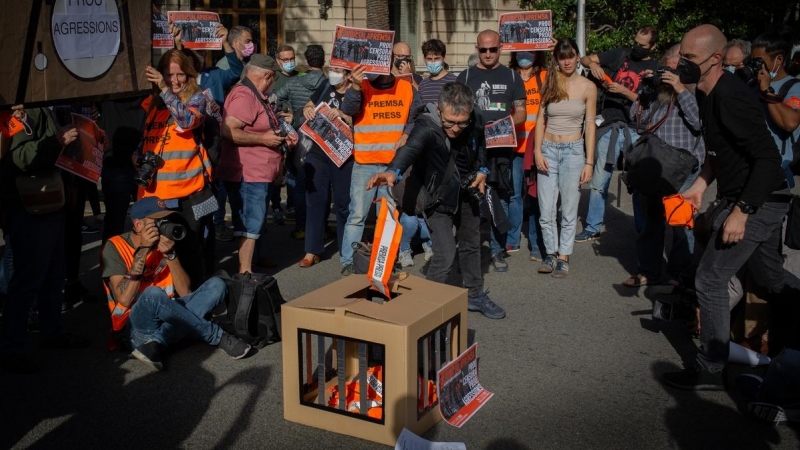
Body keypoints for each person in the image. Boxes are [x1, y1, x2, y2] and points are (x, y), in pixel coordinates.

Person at [662, 24, 800, 391]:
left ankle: (710, 369)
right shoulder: (706, 95)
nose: (682, 64)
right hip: (745, 197)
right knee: (771, 277)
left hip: (761, 200)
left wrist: (741, 212)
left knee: (710, 278)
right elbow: (715, 154)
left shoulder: (732, 96)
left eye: (690, 59)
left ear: (715, 59)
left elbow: (768, 160)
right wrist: (698, 187)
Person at [366, 82, 506, 319]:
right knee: (446, 253)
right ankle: (426, 308)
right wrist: (392, 171)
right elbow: (410, 149)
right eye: (450, 122)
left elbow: (482, 146)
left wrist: (482, 169)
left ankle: (475, 294)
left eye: (462, 122)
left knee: (472, 244)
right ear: (439, 111)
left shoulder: (476, 117)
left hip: (467, 189)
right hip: (437, 197)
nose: (456, 129)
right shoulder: (426, 126)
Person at [103, 197, 252, 371]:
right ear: (138, 225)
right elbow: (124, 299)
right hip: (134, 327)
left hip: (168, 317)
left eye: (166, 220)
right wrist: (143, 250)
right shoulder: (115, 246)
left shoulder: (165, 243)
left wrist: (170, 255)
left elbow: (185, 291)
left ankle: (156, 343)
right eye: (158, 222)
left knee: (217, 285)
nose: (164, 225)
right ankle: (216, 335)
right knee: (153, 294)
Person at [0, 105, 90, 374]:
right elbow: (17, 157)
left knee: (53, 275)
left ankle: (52, 333)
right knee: (28, 280)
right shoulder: (21, 109)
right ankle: (12, 349)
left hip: (48, 203)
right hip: (30, 206)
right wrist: (56, 141)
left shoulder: (51, 106)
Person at [621, 44, 704, 288]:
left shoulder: (696, 90)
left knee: (681, 225)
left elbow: (699, 122)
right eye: (667, 69)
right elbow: (638, 120)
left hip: (684, 167)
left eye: (676, 70)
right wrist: (644, 92)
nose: (670, 74)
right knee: (651, 223)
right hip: (656, 165)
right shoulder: (659, 91)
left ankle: (679, 274)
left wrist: (680, 89)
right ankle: (648, 271)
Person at [134, 50, 213, 291]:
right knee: (159, 255)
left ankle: (198, 306)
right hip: (156, 195)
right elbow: (150, 136)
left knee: (191, 253)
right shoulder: (153, 105)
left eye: (180, 75)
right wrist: (138, 155)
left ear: (190, 75)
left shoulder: (198, 98)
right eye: (168, 75)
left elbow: (186, 121)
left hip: (189, 194)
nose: (175, 80)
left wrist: (165, 90)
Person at [338, 64, 423, 276]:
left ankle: (385, 260)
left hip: (392, 166)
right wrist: (355, 87)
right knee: (357, 215)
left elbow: (417, 117)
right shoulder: (361, 86)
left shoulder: (406, 88)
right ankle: (349, 261)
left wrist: (407, 133)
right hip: (365, 163)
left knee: (388, 216)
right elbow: (348, 110)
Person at [577, 26, 660, 242]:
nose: (636, 48)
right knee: (599, 180)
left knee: (639, 183)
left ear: (653, 46)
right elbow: (584, 58)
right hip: (610, 125)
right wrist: (594, 65)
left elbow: (651, 106)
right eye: (635, 42)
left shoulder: (655, 69)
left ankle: (642, 229)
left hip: (636, 129)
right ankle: (593, 226)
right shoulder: (621, 54)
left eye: (642, 46)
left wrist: (624, 92)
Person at [456, 29, 526, 273]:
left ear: (501, 48)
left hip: (500, 148)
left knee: (500, 200)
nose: (488, 53)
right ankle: (469, 250)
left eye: (493, 49)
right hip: (471, 150)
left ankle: (497, 250)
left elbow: (521, 113)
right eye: (483, 49)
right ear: (477, 49)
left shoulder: (513, 77)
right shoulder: (464, 77)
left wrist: (502, 125)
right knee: (468, 199)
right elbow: (455, 110)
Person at [219, 55, 295, 274]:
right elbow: (228, 130)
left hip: (258, 172)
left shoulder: (256, 94)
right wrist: (263, 139)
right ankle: (245, 272)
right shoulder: (245, 95)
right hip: (248, 174)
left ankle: (254, 261)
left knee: (257, 219)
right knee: (249, 222)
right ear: (268, 76)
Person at [533, 38, 597, 278]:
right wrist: (538, 150)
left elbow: (590, 125)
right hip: (548, 149)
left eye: (571, 56)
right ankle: (550, 252)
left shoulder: (588, 87)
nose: (567, 61)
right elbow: (541, 120)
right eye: (562, 57)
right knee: (546, 208)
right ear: (557, 60)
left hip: (573, 152)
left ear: (577, 56)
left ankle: (564, 256)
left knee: (569, 208)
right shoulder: (549, 82)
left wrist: (589, 161)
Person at [298, 66, 355, 267]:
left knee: (343, 203)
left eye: (337, 70)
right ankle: (312, 250)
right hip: (318, 151)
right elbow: (310, 103)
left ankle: (346, 248)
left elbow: (360, 120)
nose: (332, 73)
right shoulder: (325, 85)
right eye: (331, 69)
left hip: (343, 155)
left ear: (348, 75)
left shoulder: (356, 91)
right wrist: (307, 109)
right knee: (315, 200)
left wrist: (343, 115)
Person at [275, 45, 328, 240]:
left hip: (299, 138)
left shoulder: (294, 83)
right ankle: (321, 226)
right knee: (322, 182)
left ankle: (301, 225)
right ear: (323, 61)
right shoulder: (329, 83)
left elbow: (273, 99)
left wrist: (286, 114)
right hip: (323, 139)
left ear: (306, 62)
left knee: (299, 181)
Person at [511, 50, 547, 261]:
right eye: (521, 52)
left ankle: (536, 243)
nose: (525, 56)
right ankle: (513, 239)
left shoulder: (544, 76)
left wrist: (556, 47)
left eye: (530, 52)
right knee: (515, 195)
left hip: (537, 148)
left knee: (535, 197)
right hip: (514, 147)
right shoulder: (509, 76)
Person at [751, 31, 800, 185]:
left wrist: (766, 91)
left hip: (775, 170)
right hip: (748, 164)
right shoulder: (751, 85)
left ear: (778, 59)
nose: (755, 66)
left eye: (759, 61)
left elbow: (790, 123)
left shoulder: (793, 87)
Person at [418, 39, 458, 106]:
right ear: (424, 59)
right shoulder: (423, 85)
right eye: (429, 59)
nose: (433, 62)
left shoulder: (455, 82)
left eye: (437, 58)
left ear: (444, 58)